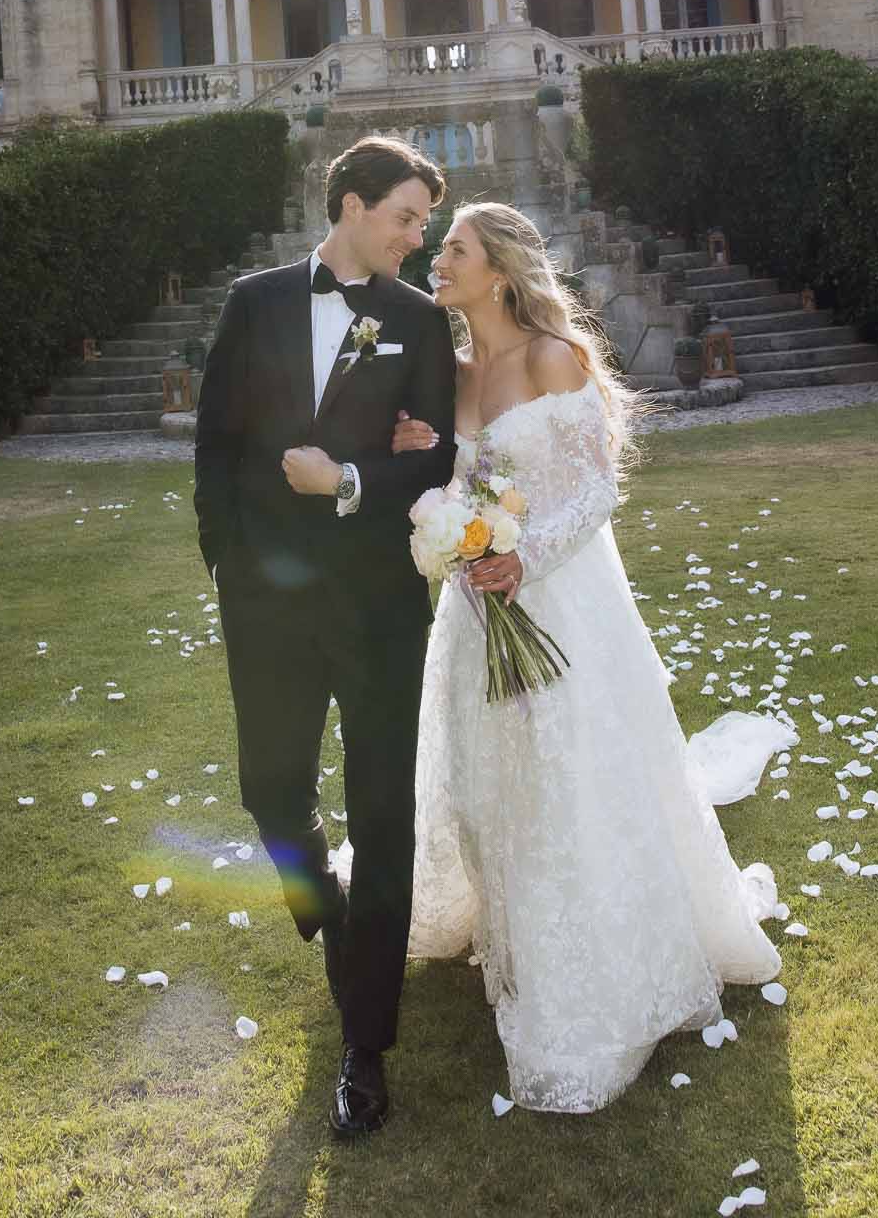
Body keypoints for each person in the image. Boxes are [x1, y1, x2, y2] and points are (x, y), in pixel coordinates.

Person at [392, 201, 785, 1114]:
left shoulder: (548, 357)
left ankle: (599, 965)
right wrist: (443, 504)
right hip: (476, 605)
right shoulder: (452, 373)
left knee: (572, 770)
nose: (437, 261)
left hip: (560, 598)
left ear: (497, 271)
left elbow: (598, 487)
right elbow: (463, 480)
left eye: (452, 249)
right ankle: (515, 923)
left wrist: (522, 557)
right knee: (496, 774)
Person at [194, 136, 456, 1139]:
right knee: (270, 789)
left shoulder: (420, 320)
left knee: (383, 814)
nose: (415, 235)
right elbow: (216, 441)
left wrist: (348, 481)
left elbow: (442, 461)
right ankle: (335, 917)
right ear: (351, 204)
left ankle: (367, 1046)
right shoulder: (253, 300)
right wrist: (224, 561)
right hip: (265, 601)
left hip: (383, 605)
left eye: (425, 222)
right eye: (404, 216)